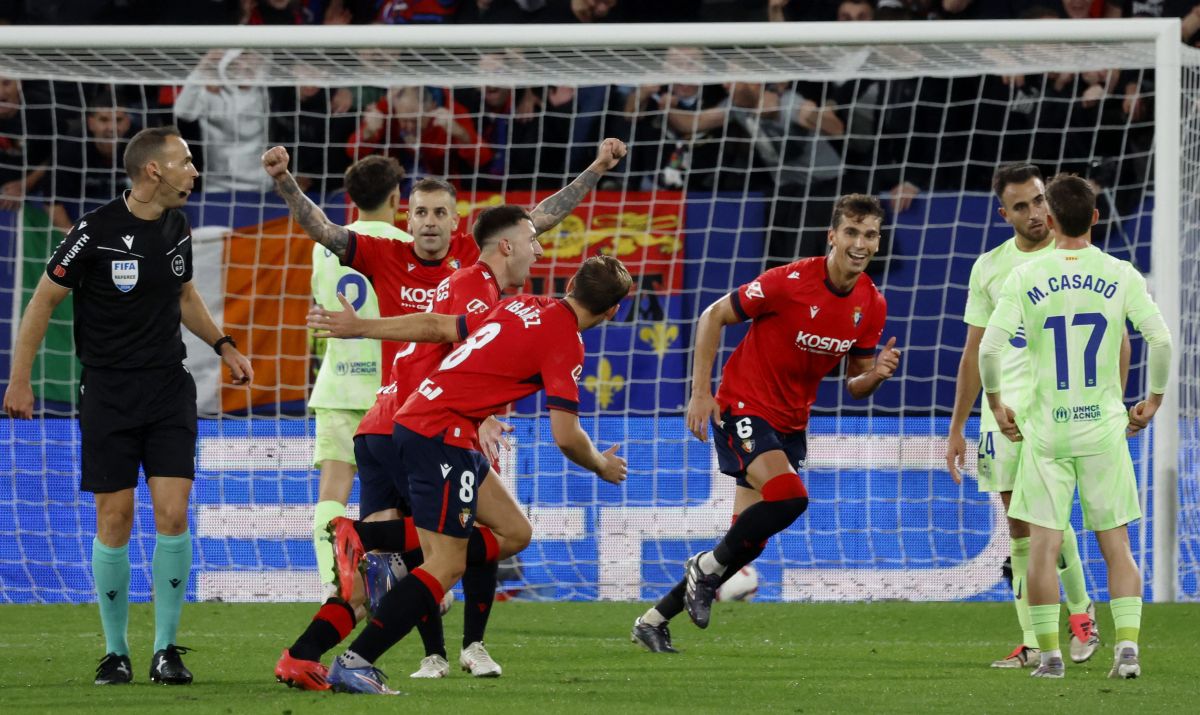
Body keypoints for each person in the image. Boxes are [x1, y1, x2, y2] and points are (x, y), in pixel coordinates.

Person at [264, 138, 628, 688]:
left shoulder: (511, 294)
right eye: (420, 212)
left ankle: (306, 651)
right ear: (405, 217)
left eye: (440, 213)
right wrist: (287, 182)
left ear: (458, 224)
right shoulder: (467, 284)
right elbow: (445, 334)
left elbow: (534, 227)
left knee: (490, 538)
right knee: (443, 561)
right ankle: (380, 635)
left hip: (410, 419)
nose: (538, 248)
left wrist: (595, 170)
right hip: (424, 422)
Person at [302, 254, 632, 695]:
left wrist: (363, 326)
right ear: (612, 310)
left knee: (514, 531)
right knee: (447, 563)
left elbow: (440, 325)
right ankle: (356, 662)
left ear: (570, 282)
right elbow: (567, 436)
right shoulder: (566, 341)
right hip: (441, 431)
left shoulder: (522, 304)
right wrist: (601, 465)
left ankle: (368, 538)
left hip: (439, 424)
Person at [2, 125, 253, 685]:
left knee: (172, 512)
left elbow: (185, 295)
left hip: (168, 387)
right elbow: (43, 299)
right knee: (115, 519)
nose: (194, 170)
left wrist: (223, 344)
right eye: (185, 161)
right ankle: (115, 652)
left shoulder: (177, 225)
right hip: (109, 392)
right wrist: (20, 380)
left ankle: (166, 649)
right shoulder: (93, 231)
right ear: (153, 171)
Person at [631, 193, 901, 653]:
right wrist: (700, 392)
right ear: (832, 236)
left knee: (746, 544)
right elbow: (713, 315)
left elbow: (855, 383)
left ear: (878, 241)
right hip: (743, 405)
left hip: (791, 423)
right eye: (851, 233)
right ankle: (703, 568)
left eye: (870, 234)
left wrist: (874, 374)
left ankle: (653, 620)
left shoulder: (871, 304)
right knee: (790, 498)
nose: (860, 243)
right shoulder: (789, 281)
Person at [979, 173, 1171, 679]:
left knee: (1041, 547)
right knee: (1116, 545)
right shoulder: (1121, 273)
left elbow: (989, 349)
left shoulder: (1025, 276)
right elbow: (1161, 341)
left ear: (1052, 217)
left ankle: (1050, 657)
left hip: (1046, 431)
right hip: (1103, 428)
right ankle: (1126, 649)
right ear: (1095, 217)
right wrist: (1151, 401)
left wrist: (998, 405)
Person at [945, 163, 1107, 668]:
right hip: (1003, 414)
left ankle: (1082, 618)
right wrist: (958, 426)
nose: (1035, 213)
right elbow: (974, 353)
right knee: (1019, 525)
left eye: (1039, 201)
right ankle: (1035, 640)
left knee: (1050, 520)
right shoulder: (990, 268)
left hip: (1060, 410)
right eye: (1022, 206)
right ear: (1004, 214)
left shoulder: (1077, 256)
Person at [308, 154, 413, 602]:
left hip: (337, 382)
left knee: (333, 488)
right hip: (392, 390)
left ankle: (334, 583)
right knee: (405, 493)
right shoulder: (407, 244)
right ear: (397, 198)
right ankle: (409, 583)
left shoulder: (325, 244)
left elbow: (322, 310)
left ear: (350, 200)